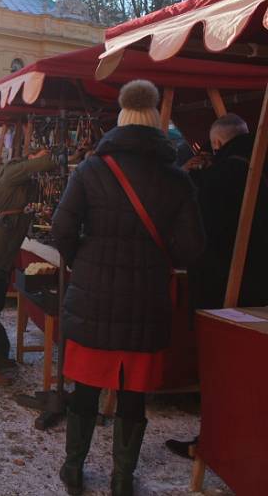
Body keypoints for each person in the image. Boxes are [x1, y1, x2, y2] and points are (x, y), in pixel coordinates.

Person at [51, 80, 205, 496]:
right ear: (155, 121)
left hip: (93, 297)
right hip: (146, 300)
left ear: (120, 119)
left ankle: (74, 469)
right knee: (133, 395)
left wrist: (86, 260)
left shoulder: (91, 169)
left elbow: (62, 230)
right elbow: (192, 248)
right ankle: (122, 478)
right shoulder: (175, 178)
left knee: (85, 388)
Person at [165, 113, 268, 460]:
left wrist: (191, 177)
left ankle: (214, 442)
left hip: (221, 290)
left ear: (217, 143)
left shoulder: (219, 176)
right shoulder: (257, 163)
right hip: (260, 288)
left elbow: (196, 233)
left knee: (221, 368)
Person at [0, 148, 56, 386]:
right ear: (30, 157)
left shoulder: (23, 180)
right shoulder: (14, 171)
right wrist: (53, 156)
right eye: (39, 155)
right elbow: (45, 163)